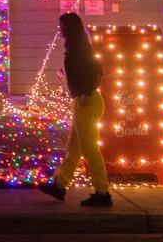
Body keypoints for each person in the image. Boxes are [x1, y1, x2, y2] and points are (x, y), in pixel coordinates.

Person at [39, 13, 112, 206]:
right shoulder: (75, 47)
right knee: (74, 148)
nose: (60, 29)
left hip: (88, 101)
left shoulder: (80, 48)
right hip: (81, 101)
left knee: (90, 149)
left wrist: (87, 91)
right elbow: (86, 71)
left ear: (69, 27)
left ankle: (102, 193)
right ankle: (60, 185)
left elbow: (97, 70)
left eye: (61, 25)